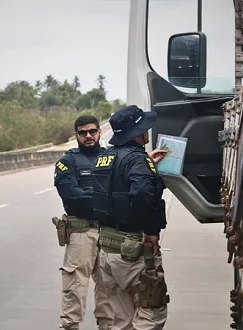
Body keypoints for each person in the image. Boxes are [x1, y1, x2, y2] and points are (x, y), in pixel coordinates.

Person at [92, 105, 170, 330]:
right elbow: (141, 194)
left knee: (122, 319)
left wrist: (148, 164)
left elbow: (117, 188)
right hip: (133, 250)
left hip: (107, 247)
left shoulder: (105, 157)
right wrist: (150, 230)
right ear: (138, 132)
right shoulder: (137, 161)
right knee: (151, 312)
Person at [53, 114, 114, 330]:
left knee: (109, 288)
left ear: (100, 131)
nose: (88, 136)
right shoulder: (66, 162)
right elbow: (73, 198)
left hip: (110, 233)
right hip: (81, 232)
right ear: (76, 135)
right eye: (82, 132)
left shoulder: (112, 157)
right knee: (75, 286)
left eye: (92, 131)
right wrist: (109, 200)